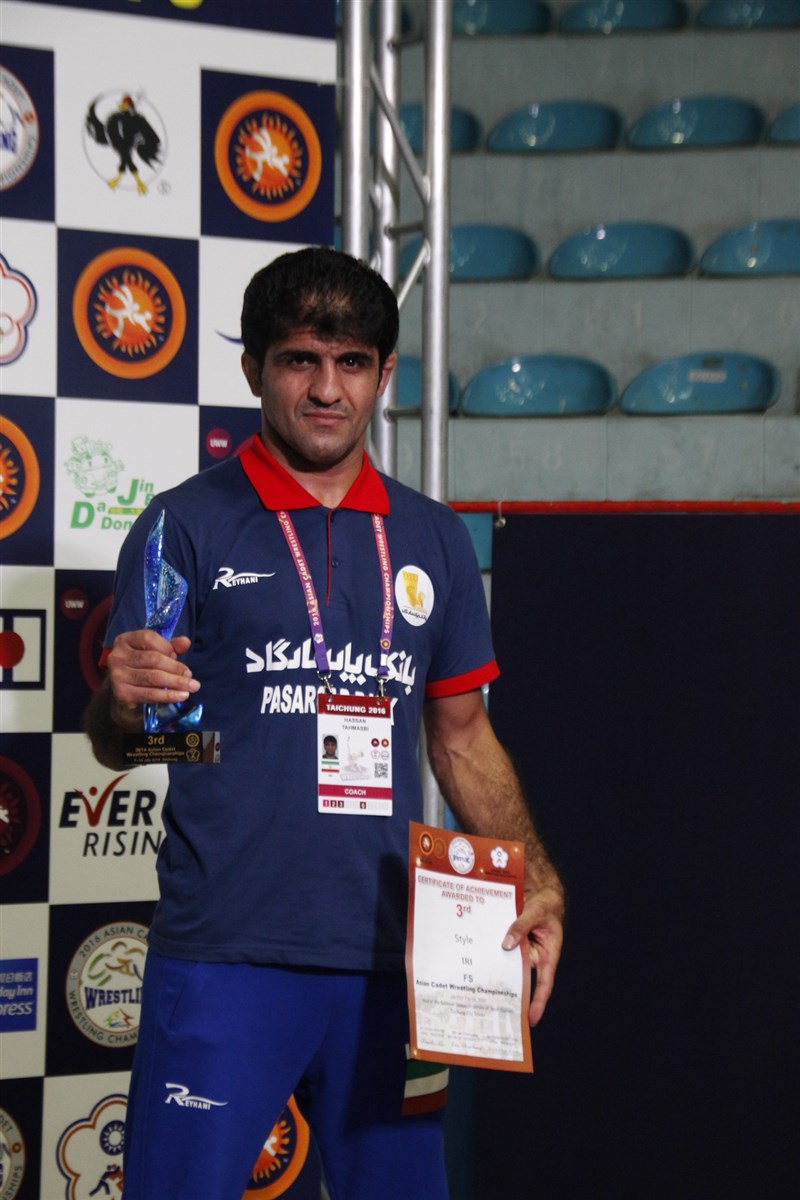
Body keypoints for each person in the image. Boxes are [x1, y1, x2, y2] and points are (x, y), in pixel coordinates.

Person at [84, 246, 564, 1200]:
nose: (326, 389)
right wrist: (121, 705)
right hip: (225, 952)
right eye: (300, 359)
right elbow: (143, 741)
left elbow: (462, 737)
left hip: (394, 960)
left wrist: (536, 876)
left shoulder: (433, 536)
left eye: (351, 363)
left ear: (384, 374)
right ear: (254, 369)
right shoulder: (185, 526)